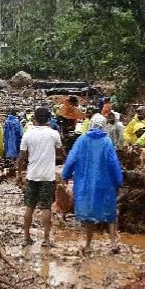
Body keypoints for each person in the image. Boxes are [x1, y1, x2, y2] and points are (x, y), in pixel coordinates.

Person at [62, 114, 124, 252]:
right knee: (110, 212)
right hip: (105, 182)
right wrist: (118, 182)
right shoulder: (107, 141)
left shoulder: (82, 140)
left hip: (85, 183)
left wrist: (65, 175)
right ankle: (113, 243)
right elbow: (114, 163)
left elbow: (71, 158)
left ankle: (88, 244)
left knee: (89, 213)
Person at [18, 106, 63, 246]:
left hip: (32, 175)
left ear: (34, 119)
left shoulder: (28, 134)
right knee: (46, 207)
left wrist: (19, 173)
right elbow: (61, 152)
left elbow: (21, 157)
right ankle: (46, 239)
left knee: (29, 206)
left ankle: (26, 237)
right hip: (47, 176)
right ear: (48, 119)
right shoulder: (54, 134)